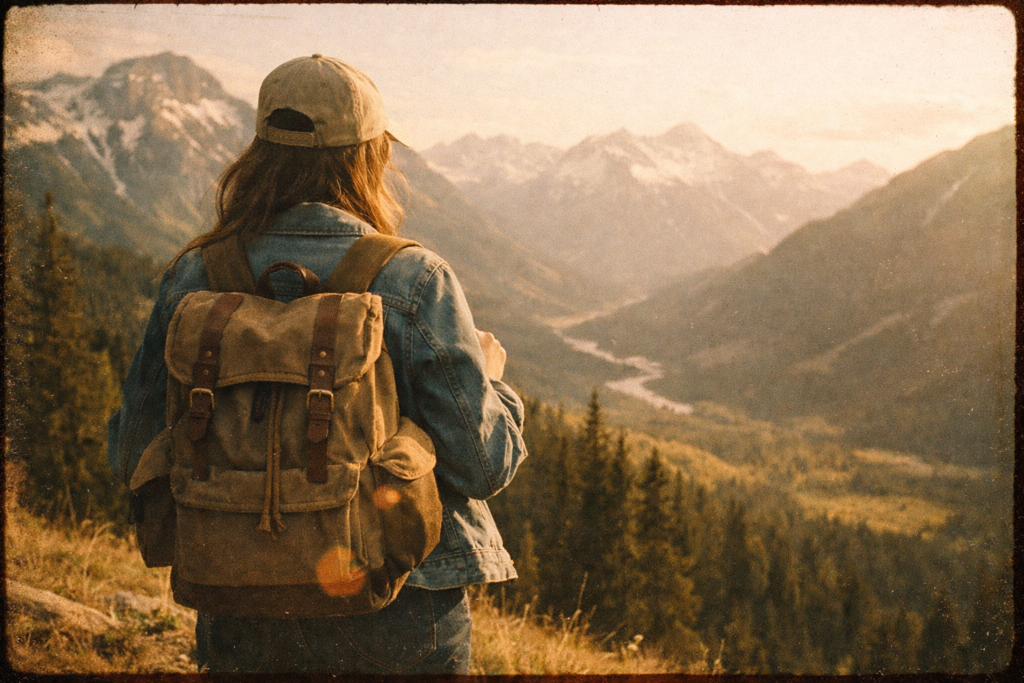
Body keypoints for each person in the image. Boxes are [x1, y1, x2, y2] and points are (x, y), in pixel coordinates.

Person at [107, 54, 528, 674]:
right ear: (369, 155)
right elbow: (484, 465)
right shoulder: (414, 278)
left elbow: (132, 454)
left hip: (238, 601)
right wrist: (492, 383)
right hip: (398, 606)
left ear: (258, 153)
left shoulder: (197, 275)